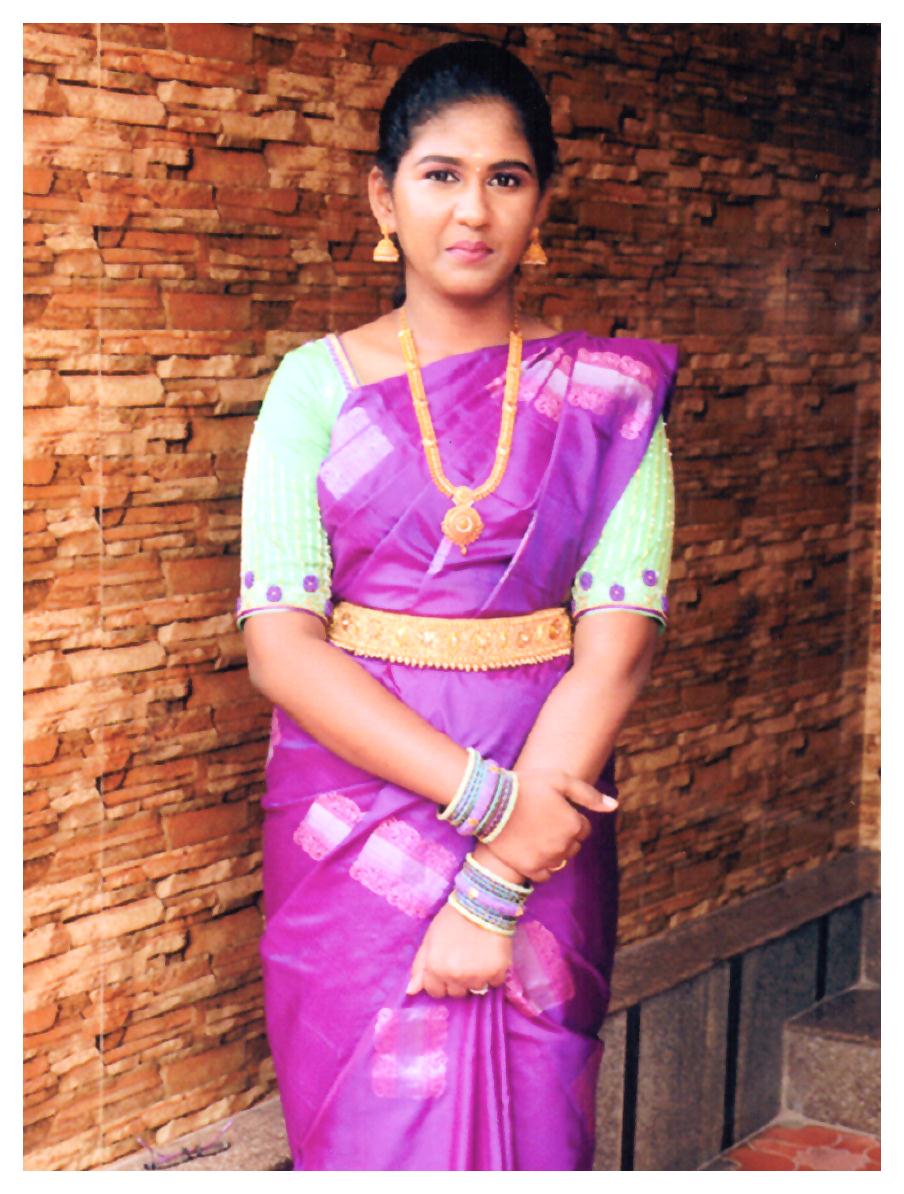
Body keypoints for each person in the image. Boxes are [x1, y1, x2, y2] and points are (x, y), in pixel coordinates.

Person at [236, 39, 677, 1171]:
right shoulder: (314, 386)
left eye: (505, 177)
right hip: (355, 818)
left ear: (542, 204)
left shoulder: (608, 402)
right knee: (368, 1125)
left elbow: (617, 654)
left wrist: (496, 878)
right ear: (383, 198)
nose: (472, 209)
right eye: (439, 174)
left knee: (536, 1121)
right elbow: (281, 648)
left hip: (548, 803)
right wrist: (488, 803)